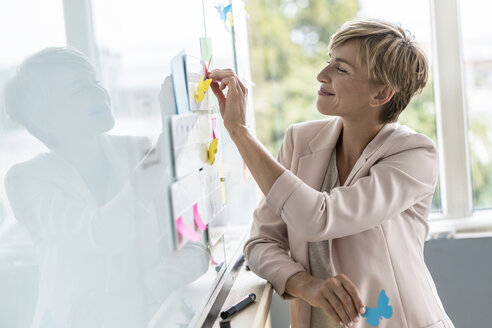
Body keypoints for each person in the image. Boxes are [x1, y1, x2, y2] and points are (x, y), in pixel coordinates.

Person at [209, 19, 455, 328]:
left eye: (341, 69)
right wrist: (304, 285)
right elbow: (260, 242)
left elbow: (318, 218)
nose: (321, 75)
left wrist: (240, 132)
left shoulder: (414, 155)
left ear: (381, 95)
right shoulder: (299, 141)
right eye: (330, 61)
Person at [3, 47, 209, 328]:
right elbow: (103, 232)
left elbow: (197, 246)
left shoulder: (139, 151)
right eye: (79, 90)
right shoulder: (25, 180)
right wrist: (166, 146)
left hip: (153, 318)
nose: (100, 94)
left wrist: (144, 291)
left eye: (95, 82)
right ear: (45, 119)